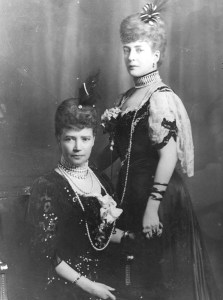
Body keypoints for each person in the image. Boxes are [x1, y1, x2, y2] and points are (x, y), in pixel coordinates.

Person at [98, 3, 220, 300]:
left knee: (158, 277)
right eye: (127, 49)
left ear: (155, 55)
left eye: (139, 49)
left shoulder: (161, 98)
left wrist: (153, 207)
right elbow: (113, 153)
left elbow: (168, 156)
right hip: (130, 192)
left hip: (158, 197)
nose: (131, 56)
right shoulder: (128, 96)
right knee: (132, 273)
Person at [26, 75, 123, 300]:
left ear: (93, 139)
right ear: (58, 138)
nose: (78, 147)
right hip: (69, 287)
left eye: (85, 139)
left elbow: (99, 234)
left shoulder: (102, 182)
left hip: (105, 277)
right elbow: (45, 253)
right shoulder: (47, 187)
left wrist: (129, 237)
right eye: (70, 139)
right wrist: (89, 286)